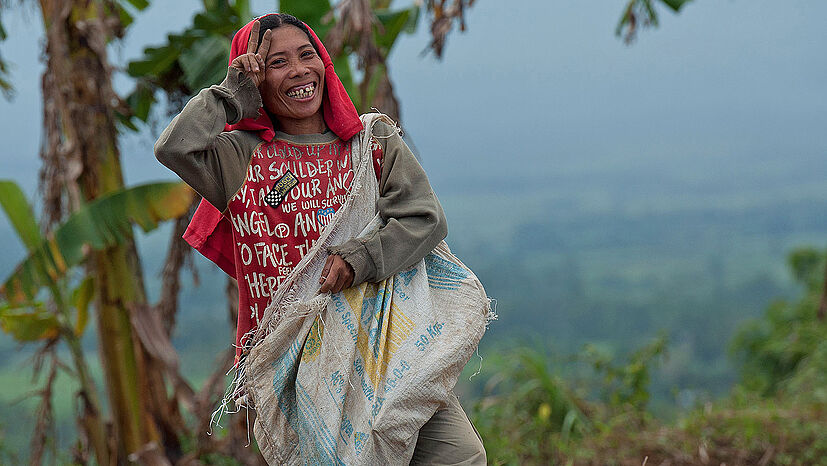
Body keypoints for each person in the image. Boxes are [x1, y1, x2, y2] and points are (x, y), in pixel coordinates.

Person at [154, 13, 485, 465]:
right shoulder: (237, 157)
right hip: (299, 363)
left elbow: (424, 218)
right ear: (255, 77)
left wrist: (360, 259)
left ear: (325, 63)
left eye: (307, 54)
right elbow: (174, 147)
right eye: (276, 62)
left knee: (459, 456)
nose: (298, 70)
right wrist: (232, 96)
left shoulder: (374, 143)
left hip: (386, 345)